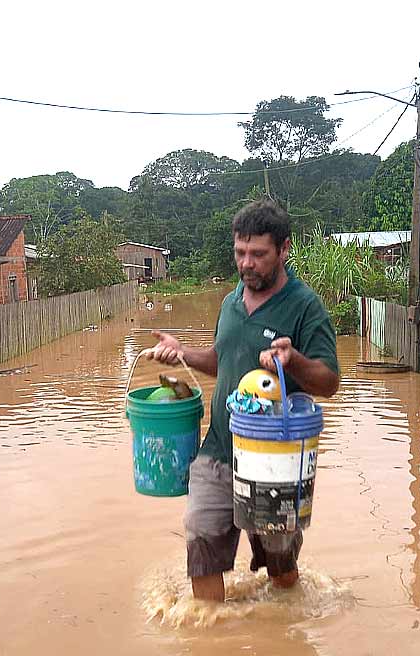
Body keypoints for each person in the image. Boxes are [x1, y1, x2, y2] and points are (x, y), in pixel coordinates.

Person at [146, 199, 339, 602]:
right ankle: (212, 627)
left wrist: (294, 360)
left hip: (274, 460)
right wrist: (182, 354)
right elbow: (222, 361)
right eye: (240, 252)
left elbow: (329, 382)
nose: (247, 263)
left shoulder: (305, 307)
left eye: (258, 254)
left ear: (284, 249)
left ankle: (282, 622)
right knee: (201, 541)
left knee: (279, 564)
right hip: (218, 448)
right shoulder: (231, 302)